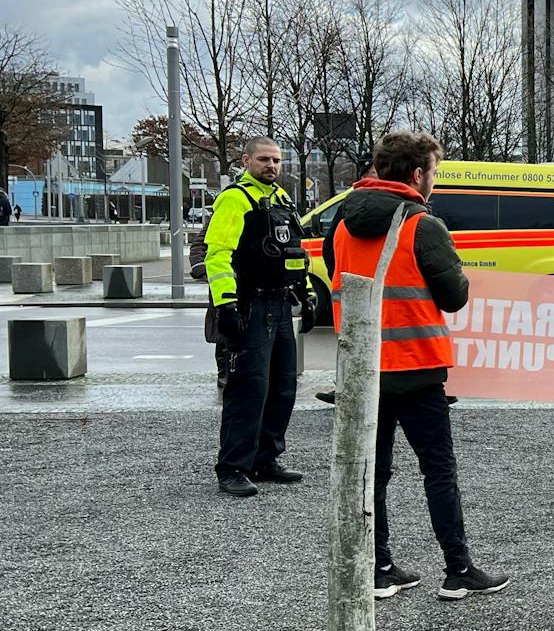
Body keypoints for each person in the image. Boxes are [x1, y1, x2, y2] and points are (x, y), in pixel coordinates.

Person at [325, 131, 507, 601]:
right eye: (434, 172)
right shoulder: (422, 226)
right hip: (417, 368)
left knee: (372, 472)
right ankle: (458, 569)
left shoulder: (341, 224)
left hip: (362, 368)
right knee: (438, 469)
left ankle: (378, 567)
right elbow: (454, 296)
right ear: (419, 174)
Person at [207, 137, 308, 497]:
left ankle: (266, 459)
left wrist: (305, 293)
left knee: (282, 388)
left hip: (279, 304)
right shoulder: (235, 199)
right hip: (251, 305)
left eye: (276, 160)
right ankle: (233, 467)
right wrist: (226, 304)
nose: (272, 166)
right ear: (246, 160)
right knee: (248, 389)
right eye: (264, 159)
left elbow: (294, 251)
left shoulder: (281, 199)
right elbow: (218, 254)